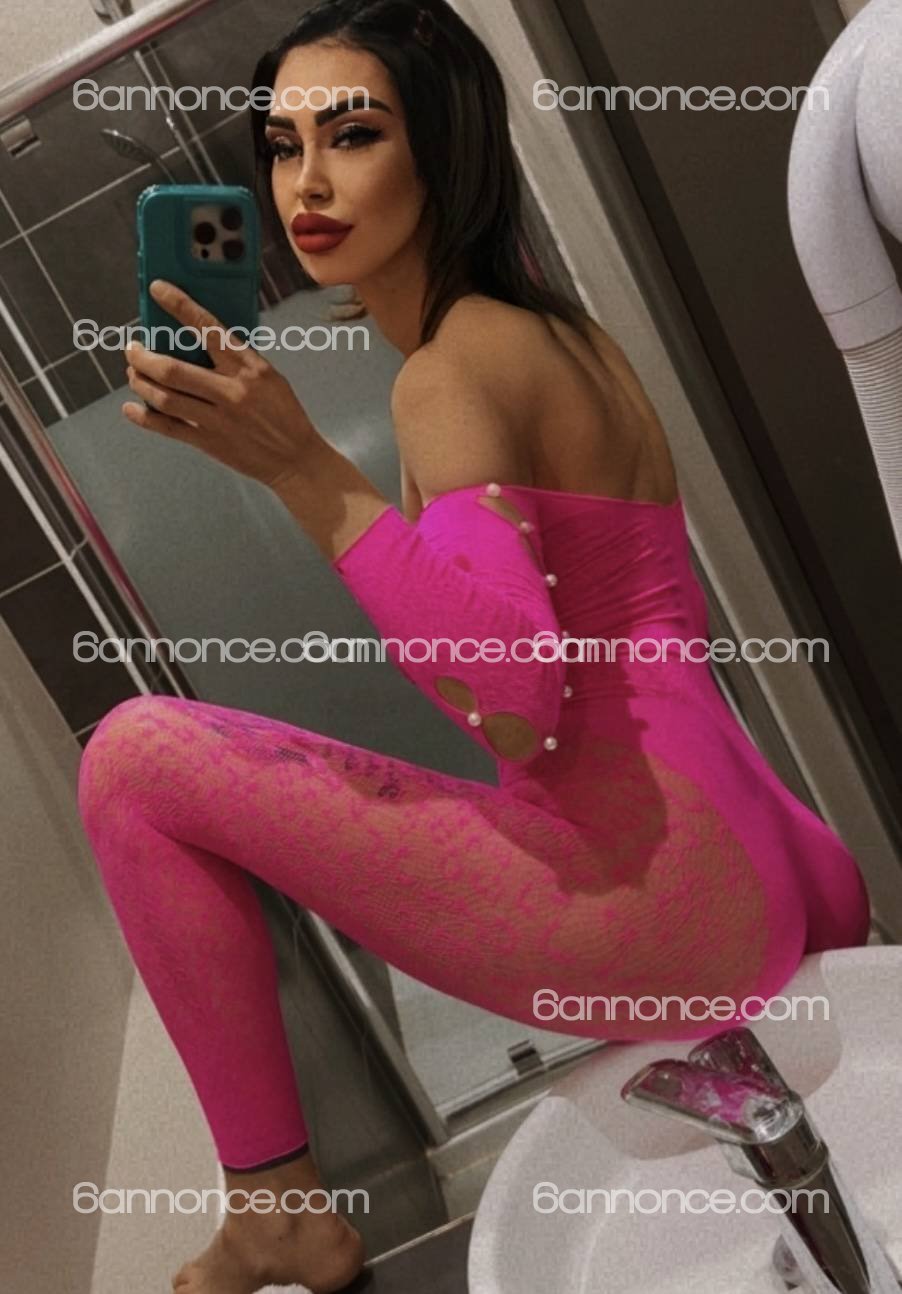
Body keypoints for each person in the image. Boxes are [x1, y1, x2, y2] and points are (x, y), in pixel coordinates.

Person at [76, 2, 872, 1291]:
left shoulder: (451, 371)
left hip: (652, 903)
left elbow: (513, 699)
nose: (306, 183)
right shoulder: (556, 334)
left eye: (354, 135)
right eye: (282, 145)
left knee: (132, 759)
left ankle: (276, 1207)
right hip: (771, 860)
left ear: (443, 144)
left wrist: (306, 470)